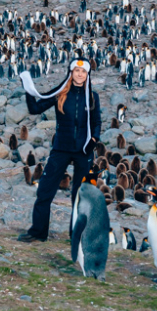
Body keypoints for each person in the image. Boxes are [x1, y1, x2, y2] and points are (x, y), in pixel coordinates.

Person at [18, 58, 101, 242]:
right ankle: (38, 233)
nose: (80, 74)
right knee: (45, 191)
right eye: (76, 70)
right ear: (71, 72)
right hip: (61, 148)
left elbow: (96, 123)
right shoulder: (60, 92)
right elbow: (35, 109)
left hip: (83, 150)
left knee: (80, 195)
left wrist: (93, 140)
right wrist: (28, 88)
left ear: (87, 75)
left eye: (83, 71)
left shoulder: (93, 96)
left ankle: (77, 236)